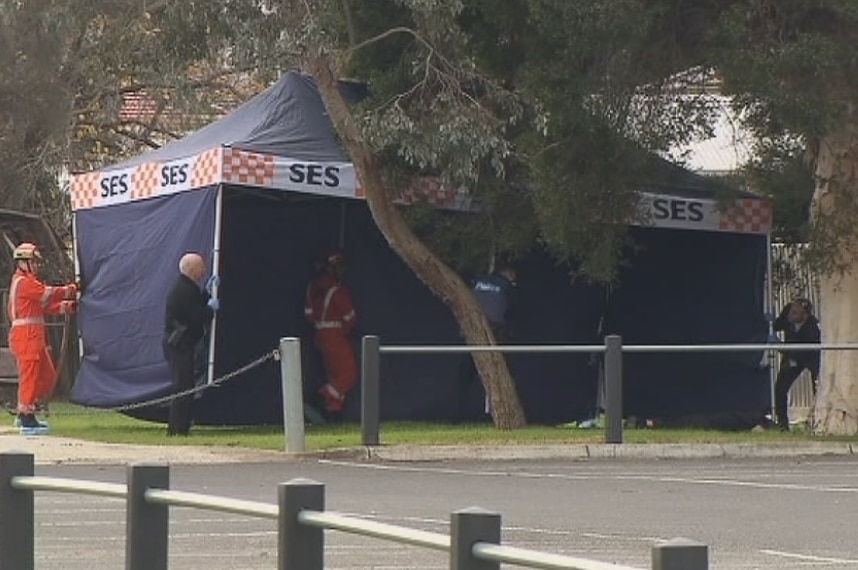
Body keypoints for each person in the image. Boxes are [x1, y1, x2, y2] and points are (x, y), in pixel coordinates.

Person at [7, 242, 78, 435]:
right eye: (34, 262)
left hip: (34, 337)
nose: (38, 266)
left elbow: (44, 306)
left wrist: (66, 306)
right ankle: (25, 416)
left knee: (47, 377)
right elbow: (47, 293)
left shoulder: (27, 282)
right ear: (24, 262)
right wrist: (70, 289)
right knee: (30, 377)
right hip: (26, 337)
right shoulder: (24, 282)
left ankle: (29, 410)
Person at [163, 252, 219, 436]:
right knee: (183, 386)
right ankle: (179, 428)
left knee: (185, 385)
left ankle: (179, 427)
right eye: (201, 266)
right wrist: (210, 309)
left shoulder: (188, 288)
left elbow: (196, 303)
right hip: (179, 344)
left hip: (183, 343)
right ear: (193, 270)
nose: (204, 270)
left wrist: (208, 293)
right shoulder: (183, 290)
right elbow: (196, 317)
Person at [454, 262, 518, 423]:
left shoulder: (477, 280)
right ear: (508, 273)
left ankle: (457, 415)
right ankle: (495, 415)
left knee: (465, 375)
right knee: (497, 372)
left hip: (471, 332)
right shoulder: (506, 286)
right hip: (494, 333)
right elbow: (509, 309)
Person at [304, 249, 358, 421]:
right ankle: (319, 397)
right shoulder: (337, 290)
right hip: (335, 335)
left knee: (334, 375)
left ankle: (333, 413)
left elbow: (309, 315)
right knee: (349, 375)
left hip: (319, 335)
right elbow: (350, 318)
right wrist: (341, 330)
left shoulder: (312, 288)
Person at [773, 297, 820, 431]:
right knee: (780, 389)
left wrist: (779, 346)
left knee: (818, 387)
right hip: (791, 356)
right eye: (791, 310)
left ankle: (817, 419)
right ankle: (782, 425)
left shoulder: (812, 329)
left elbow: (802, 352)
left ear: (805, 316)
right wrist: (769, 324)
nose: (790, 314)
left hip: (810, 356)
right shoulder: (787, 314)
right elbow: (777, 325)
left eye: (795, 313)